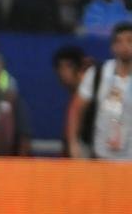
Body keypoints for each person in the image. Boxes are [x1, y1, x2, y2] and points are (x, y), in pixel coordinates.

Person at [69, 23, 132, 160]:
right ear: (112, 47)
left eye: (130, 40)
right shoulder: (98, 73)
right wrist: (73, 143)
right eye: (119, 41)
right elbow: (76, 109)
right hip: (100, 157)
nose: (125, 46)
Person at [53, 44, 94, 156]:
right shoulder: (73, 99)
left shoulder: (90, 101)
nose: (64, 73)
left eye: (69, 66)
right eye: (60, 67)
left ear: (81, 68)